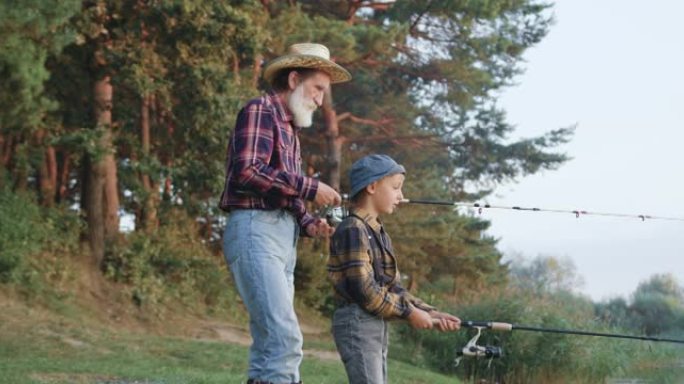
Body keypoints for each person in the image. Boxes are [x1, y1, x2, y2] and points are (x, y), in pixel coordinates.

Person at [219, 43, 351, 384]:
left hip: (280, 236)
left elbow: (281, 192)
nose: (321, 100)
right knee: (284, 338)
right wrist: (310, 187)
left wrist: (309, 223)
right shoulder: (260, 110)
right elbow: (247, 171)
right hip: (255, 230)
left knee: (268, 342)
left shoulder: (290, 132)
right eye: (317, 88)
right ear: (294, 78)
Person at [328, 154, 461, 384]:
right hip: (357, 322)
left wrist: (430, 312)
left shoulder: (379, 233)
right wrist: (410, 313)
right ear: (372, 186)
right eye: (396, 187)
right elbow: (364, 290)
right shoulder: (352, 229)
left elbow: (394, 288)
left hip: (375, 322)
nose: (401, 195)